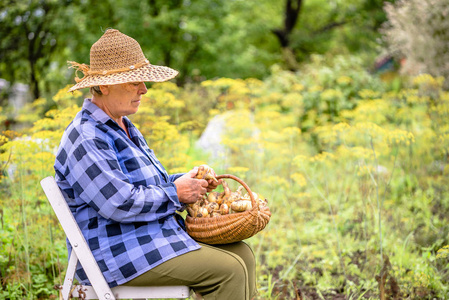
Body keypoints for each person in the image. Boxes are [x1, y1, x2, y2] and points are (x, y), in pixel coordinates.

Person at [54, 29, 257, 299]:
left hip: (149, 236)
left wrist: (187, 180)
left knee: (242, 254)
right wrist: (177, 193)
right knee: (228, 270)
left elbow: (147, 185)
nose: (144, 89)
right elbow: (119, 202)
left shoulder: (122, 125)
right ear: (103, 86)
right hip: (118, 251)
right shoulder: (85, 136)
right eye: (133, 82)